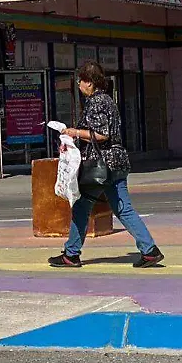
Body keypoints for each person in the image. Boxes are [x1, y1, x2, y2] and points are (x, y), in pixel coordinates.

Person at [48, 61, 164, 269]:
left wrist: (74, 132)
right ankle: (149, 250)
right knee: (123, 208)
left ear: (90, 82)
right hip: (117, 163)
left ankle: (71, 254)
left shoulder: (96, 102)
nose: (79, 85)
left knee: (81, 207)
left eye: (81, 81)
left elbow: (102, 134)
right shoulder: (108, 100)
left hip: (101, 165)